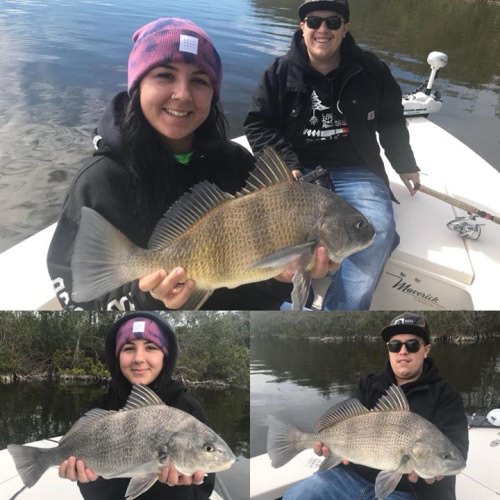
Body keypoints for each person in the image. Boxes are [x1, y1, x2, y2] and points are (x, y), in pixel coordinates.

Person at [46, 17, 332, 311]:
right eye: (165, 76)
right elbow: (77, 298)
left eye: (199, 80)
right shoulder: (98, 182)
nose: (182, 94)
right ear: (137, 85)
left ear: (213, 92)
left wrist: (280, 279)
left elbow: (248, 293)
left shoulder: (237, 164)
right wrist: (146, 298)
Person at [244, 0, 420, 311]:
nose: (322, 29)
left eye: (333, 22)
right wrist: (288, 164)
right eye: (314, 21)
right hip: (299, 172)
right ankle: (282, 301)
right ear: (302, 27)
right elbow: (259, 126)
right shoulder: (278, 73)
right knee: (267, 235)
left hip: (358, 170)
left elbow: (391, 120)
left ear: (345, 28)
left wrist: (404, 163)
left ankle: (336, 311)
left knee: (376, 232)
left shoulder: (373, 70)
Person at [283, 312, 469, 500]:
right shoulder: (370, 384)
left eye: (412, 345)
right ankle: (298, 440)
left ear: (426, 349)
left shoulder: (446, 396)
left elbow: (457, 452)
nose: (403, 351)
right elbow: (345, 421)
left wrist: (436, 474)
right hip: (349, 476)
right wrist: (325, 445)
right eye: (395, 345)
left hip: (407, 491)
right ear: (388, 350)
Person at [58, 311, 215, 499]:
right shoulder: (99, 406)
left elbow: (203, 490)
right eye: (129, 348)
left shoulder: (188, 409)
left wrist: (181, 488)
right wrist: (86, 478)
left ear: (166, 356)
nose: (139, 358)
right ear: (117, 357)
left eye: (150, 347)